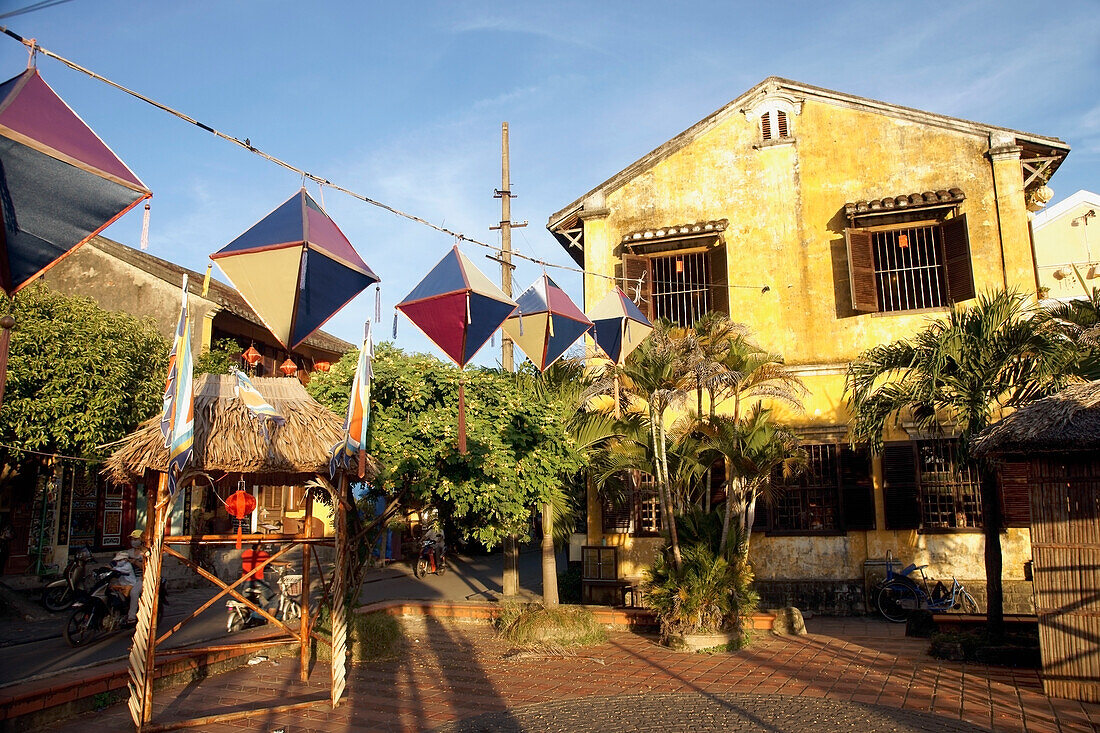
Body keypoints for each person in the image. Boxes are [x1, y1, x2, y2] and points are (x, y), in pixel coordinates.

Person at [125, 529, 147, 624]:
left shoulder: (146, 552)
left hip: (141, 578)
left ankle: (132, 616)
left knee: (134, 592)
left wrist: (136, 562)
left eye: (136, 539)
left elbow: (148, 567)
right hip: (128, 577)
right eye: (132, 539)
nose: (133, 541)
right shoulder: (128, 552)